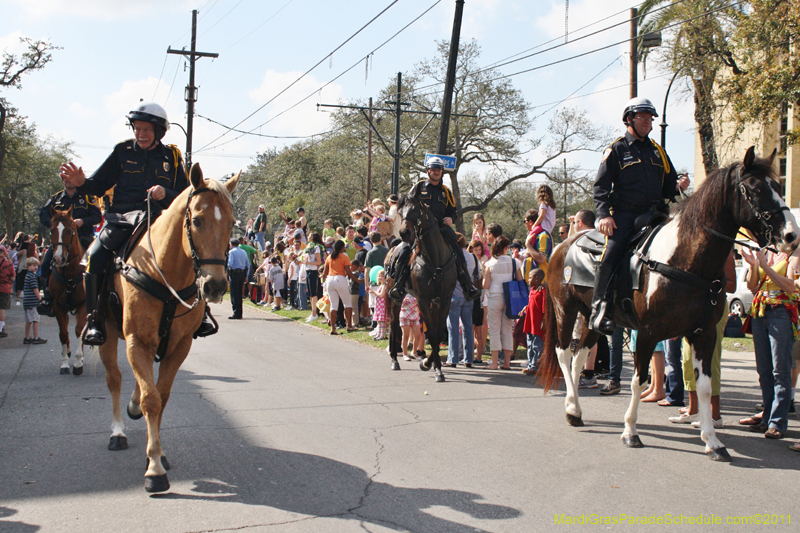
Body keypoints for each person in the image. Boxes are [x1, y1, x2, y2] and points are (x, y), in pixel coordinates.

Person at [57, 102, 217, 345]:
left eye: (146, 130)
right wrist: (82, 183)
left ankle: (202, 313)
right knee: (96, 256)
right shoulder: (122, 152)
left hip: (161, 218)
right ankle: (94, 320)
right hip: (123, 218)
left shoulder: (171, 156)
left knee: (194, 252)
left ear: (159, 132)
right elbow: (98, 185)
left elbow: (187, 195)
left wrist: (167, 193)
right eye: (137, 129)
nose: (140, 134)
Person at [589, 97, 690, 335]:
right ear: (629, 119)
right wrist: (603, 215)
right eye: (643, 118)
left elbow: (668, 187)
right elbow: (600, 187)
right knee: (611, 251)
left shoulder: (658, 151)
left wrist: (678, 186)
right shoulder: (616, 149)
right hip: (624, 215)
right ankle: (599, 307)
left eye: (650, 118)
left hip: (655, 215)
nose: (648, 122)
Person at [388, 156, 481, 303]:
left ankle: (467, 286)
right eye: (433, 169)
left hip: (441, 229)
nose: (436, 172)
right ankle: (399, 286)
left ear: (442, 172)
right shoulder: (418, 186)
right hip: (419, 231)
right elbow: (407, 204)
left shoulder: (446, 191)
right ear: (428, 171)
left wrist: (451, 219)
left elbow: (452, 211)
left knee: (458, 249)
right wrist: (420, 207)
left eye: (438, 169)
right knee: (405, 250)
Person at [737, 247, 795, 439]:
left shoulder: (793, 255)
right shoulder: (767, 253)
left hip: (780, 312)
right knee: (764, 370)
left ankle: (777, 423)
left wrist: (765, 267)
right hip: (759, 311)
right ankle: (767, 418)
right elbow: (751, 285)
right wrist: (754, 265)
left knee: (780, 371)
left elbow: (790, 286)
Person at [37, 183, 102, 315]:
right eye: (65, 179)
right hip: (61, 240)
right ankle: (47, 299)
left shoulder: (87, 198)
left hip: (83, 237)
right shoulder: (56, 199)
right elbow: (43, 214)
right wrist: (54, 222)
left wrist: (83, 221)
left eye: (70, 179)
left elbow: (97, 216)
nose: (69, 182)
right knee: (44, 265)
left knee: (99, 260)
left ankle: (100, 299)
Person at [483, 236, 520, 370]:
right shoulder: (514, 262)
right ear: (506, 248)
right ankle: (507, 362)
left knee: (494, 329)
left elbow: (486, 285)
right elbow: (519, 280)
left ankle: (494, 362)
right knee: (507, 329)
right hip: (510, 298)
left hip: (495, 297)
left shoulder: (490, 263)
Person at [446, 232, 479, 368]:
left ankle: (453, 358)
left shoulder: (452, 257)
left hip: (455, 294)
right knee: (468, 328)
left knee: (453, 328)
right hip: (468, 295)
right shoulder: (472, 257)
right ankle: (468, 358)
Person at [322, 239, 359, 334]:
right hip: (340, 279)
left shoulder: (329, 257)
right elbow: (349, 272)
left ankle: (333, 328)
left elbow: (324, 272)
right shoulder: (344, 257)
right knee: (347, 303)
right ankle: (349, 326)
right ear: (342, 247)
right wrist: (357, 280)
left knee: (334, 305)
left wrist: (324, 282)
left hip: (330, 280)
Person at [521, 268, 546, 375]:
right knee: (530, 344)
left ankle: (537, 366)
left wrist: (544, 320)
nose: (528, 280)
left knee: (537, 345)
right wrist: (526, 307)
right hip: (530, 322)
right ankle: (530, 364)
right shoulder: (533, 290)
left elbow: (545, 307)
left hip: (537, 323)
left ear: (537, 278)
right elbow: (532, 303)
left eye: (530, 278)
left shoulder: (543, 290)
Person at [22, 257, 47, 344]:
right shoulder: (32, 276)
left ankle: (27, 337)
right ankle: (36, 338)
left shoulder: (27, 275)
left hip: (27, 301)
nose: (36, 267)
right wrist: (40, 299)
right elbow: (35, 289)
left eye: (36, 265)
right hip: (33, 302)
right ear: (28, 266)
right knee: (36, 320)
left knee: (28, 321)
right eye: (33, 265)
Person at [227, 238, 249, 319]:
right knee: (240, 293)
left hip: (234, 273)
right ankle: (240, 312)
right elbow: (248, 264)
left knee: (234, 293)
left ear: (231, 244)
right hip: (242, 273)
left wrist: (227, 271)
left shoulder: (232, 252)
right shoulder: (244, 252)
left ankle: (236, 313)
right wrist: (246, 276)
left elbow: (230, 264)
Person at [0, 245, 15, 338]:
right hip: (4, 288)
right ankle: (0, 329)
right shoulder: (7, 263)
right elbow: (13, 277)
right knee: (2, 309)